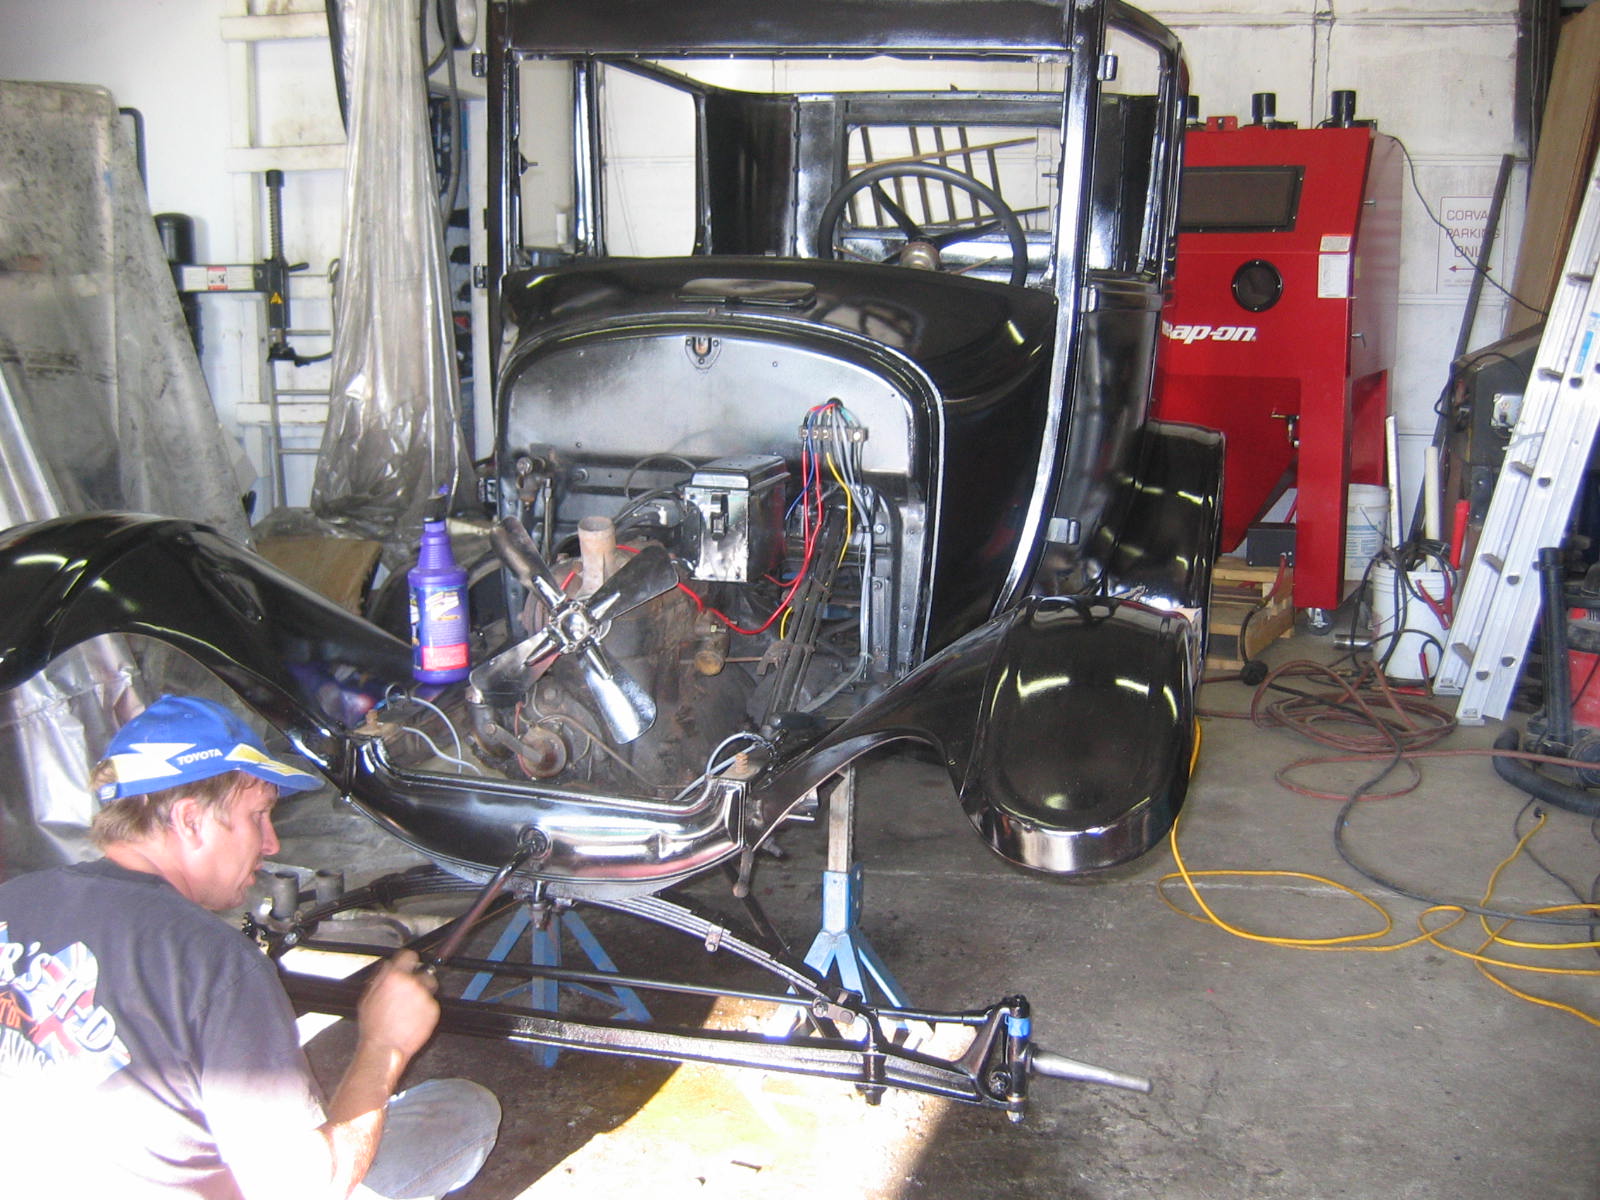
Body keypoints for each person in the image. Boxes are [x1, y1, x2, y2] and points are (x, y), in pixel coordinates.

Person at [0, 694, 500, 1199]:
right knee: (462, 1111)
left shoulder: (11, 900)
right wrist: (384, 1046)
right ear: (190, 820)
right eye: (258, 815)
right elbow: (301, 1188)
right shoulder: (212, 960)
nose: (271, 843)